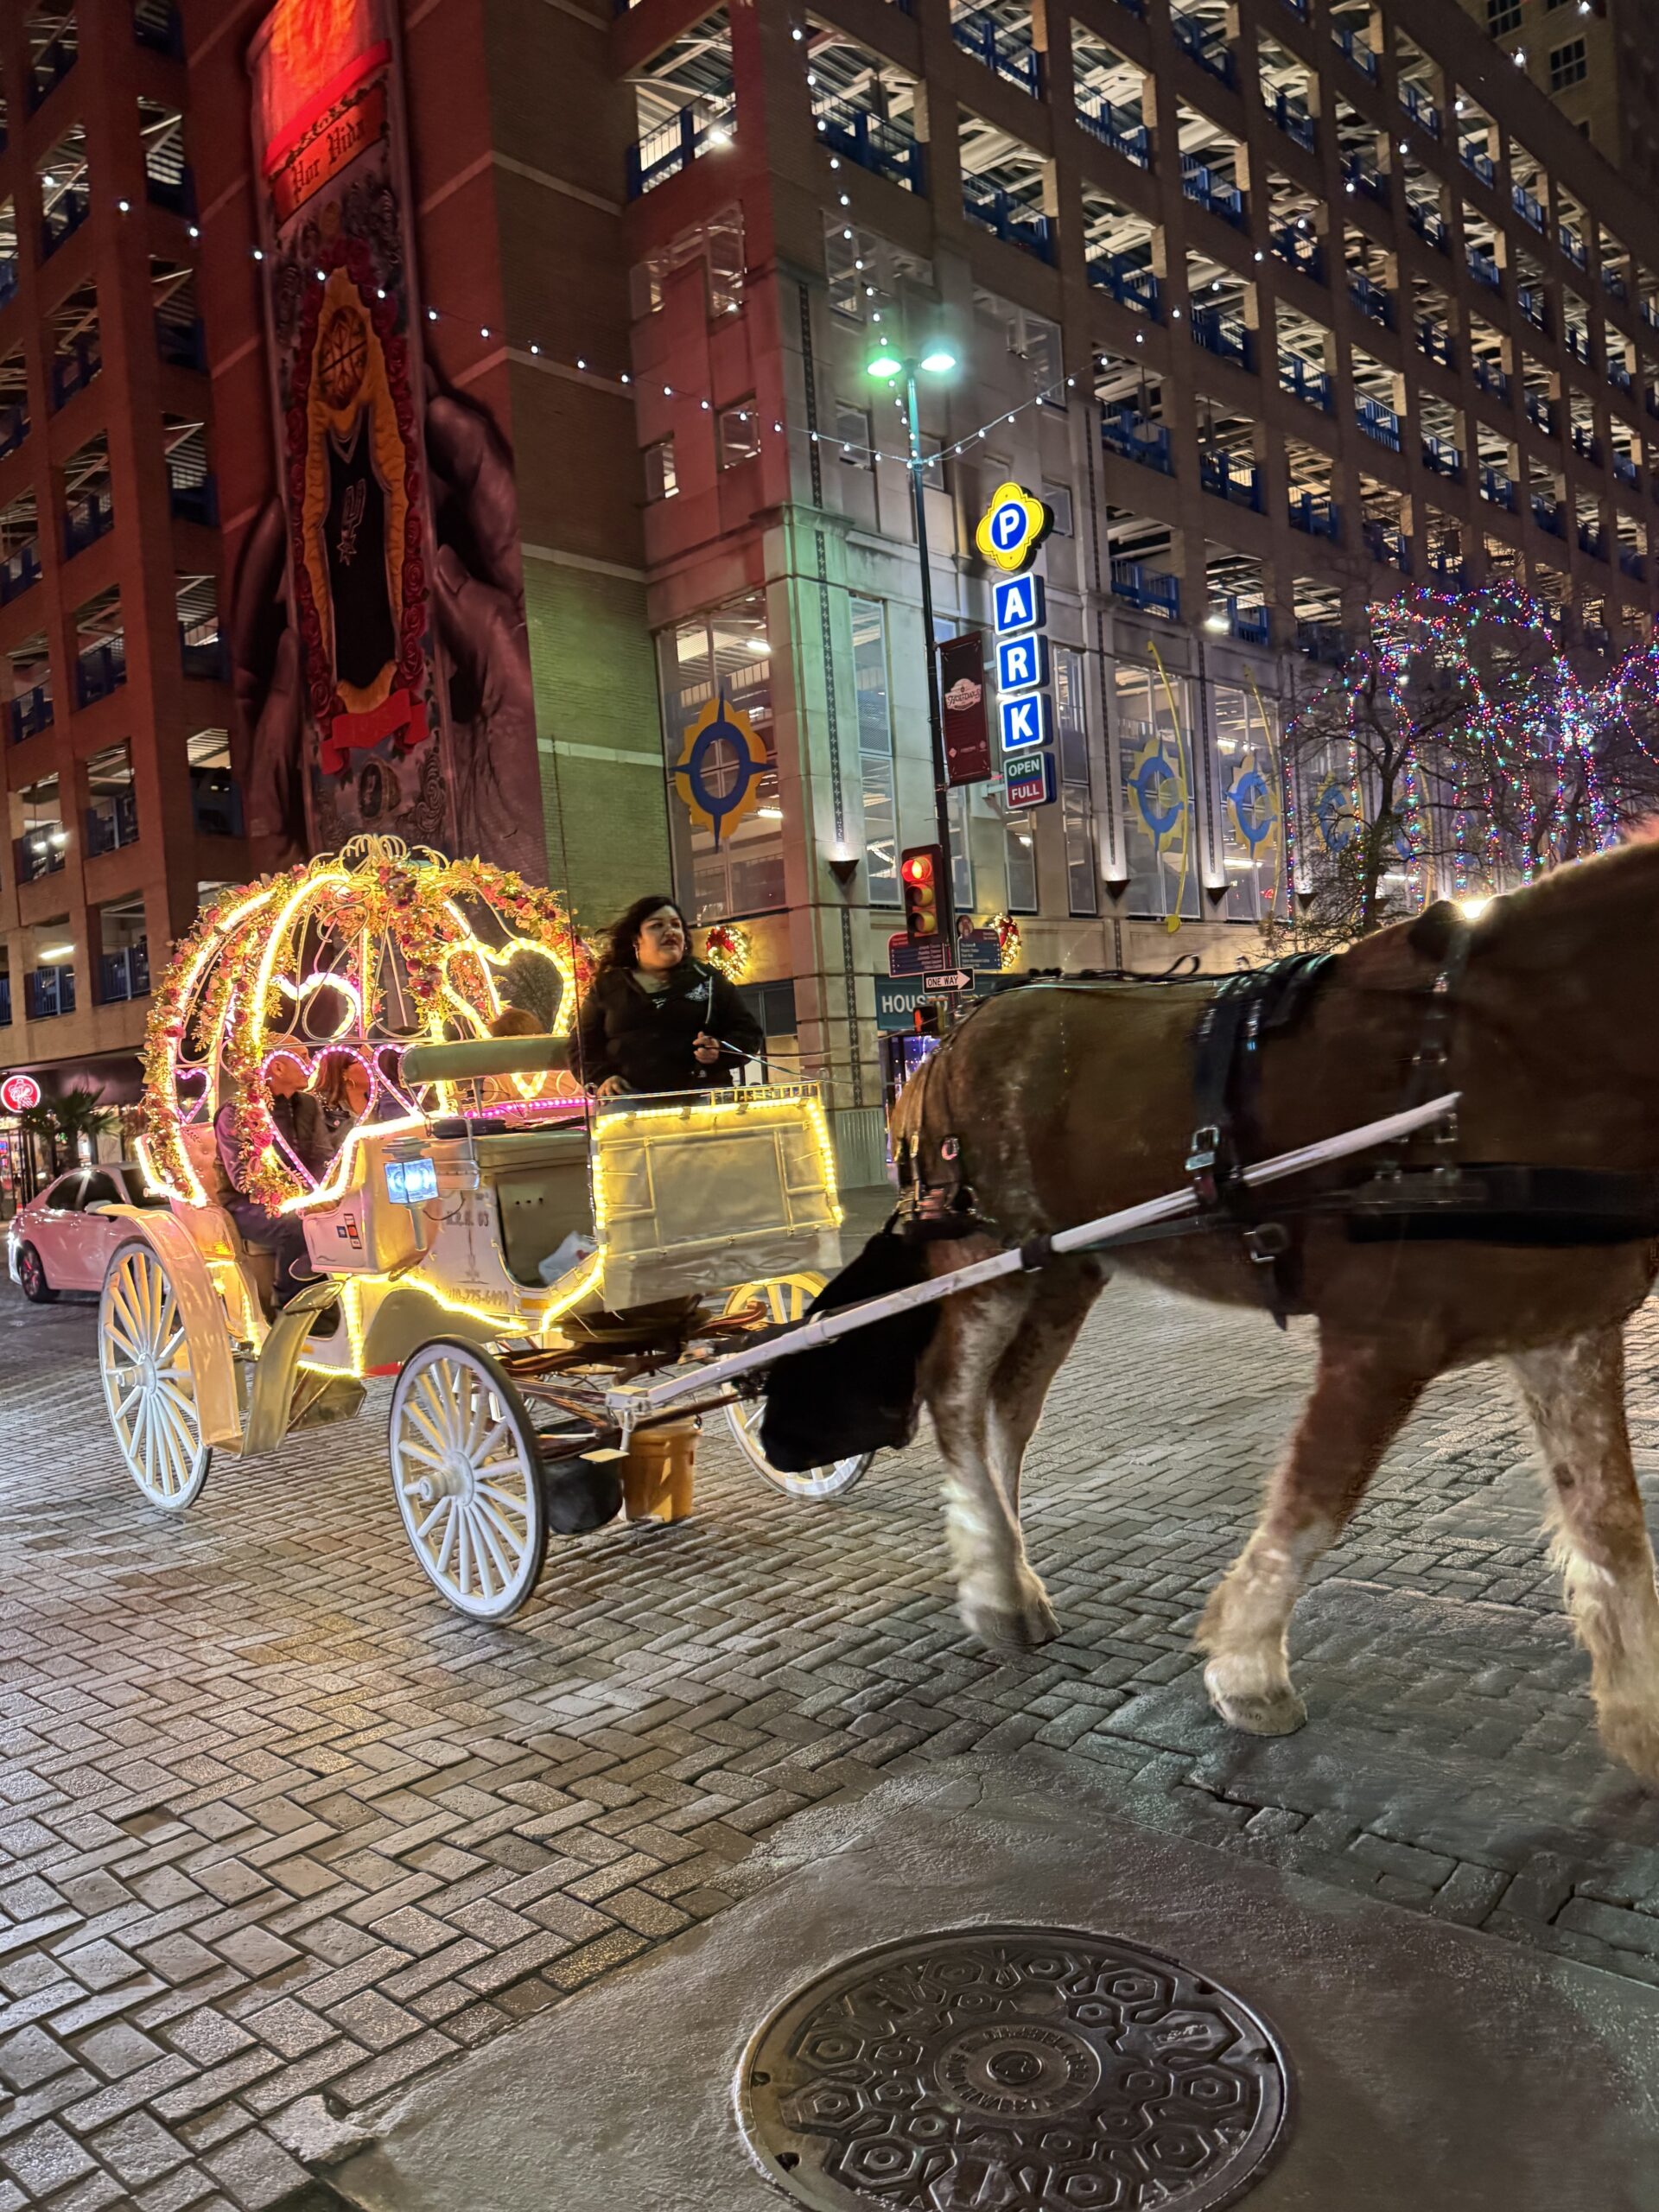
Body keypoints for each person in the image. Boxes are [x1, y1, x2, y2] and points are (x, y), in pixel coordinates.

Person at [574, 895, 764, 1101]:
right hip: (629, 1099)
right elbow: (580, 1048)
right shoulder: (607, 987)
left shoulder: (709, 980)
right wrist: (602, 1079)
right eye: (657, 925)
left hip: (702, 1095)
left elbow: (749, 1035)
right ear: (636, 939)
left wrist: (720, 1050)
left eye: (676, 925)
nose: (670, 931)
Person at [213, 1040, 326, 1306]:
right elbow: (245, 1180)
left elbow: (323, 1156)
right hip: (245, 1206)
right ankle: (289, 1306)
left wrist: (326, 1193)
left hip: (304, 1198)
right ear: (277, 1066)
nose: (312, 1063)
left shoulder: (309, 1105)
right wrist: (300, 1200)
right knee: (297, 1224)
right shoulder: (237, 1112)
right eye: (303, 1057)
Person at [311, 1048, 373, 1165]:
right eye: (364, 1061)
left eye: (371, 1059)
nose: (372, 1065)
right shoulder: (320, 1107)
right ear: (343, 1073)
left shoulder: (380, 1100)